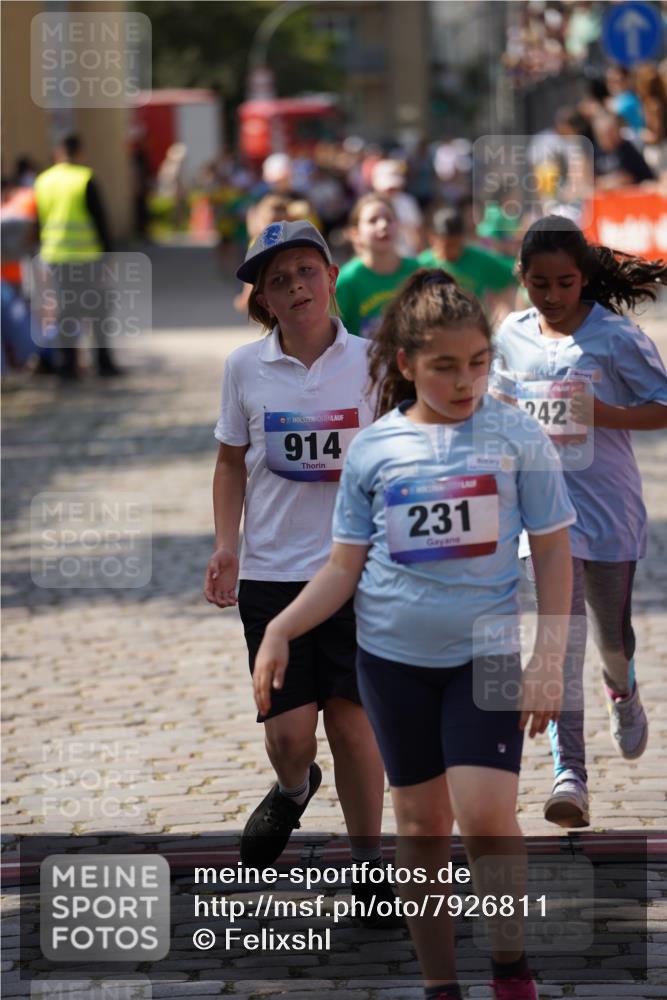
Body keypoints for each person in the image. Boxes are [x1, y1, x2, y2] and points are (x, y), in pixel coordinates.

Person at [252, 269, 575, 1000]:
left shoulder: (516, 436)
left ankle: (508, 968)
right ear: (405, 364)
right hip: (390, 663)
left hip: (485, 653)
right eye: (443, 366)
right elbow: (341, 569)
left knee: (485, 812)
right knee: (421, 823)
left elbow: (553, 549)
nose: (464, 382)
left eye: (476, 363)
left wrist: (549, 656)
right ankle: (438, 984)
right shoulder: (374, 451)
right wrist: (281, 625)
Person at [204, 219, 394, 915]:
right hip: (273, 575)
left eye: (305, 272)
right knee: (289, 733)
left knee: (353, 724)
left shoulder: (375, 362)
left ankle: (369, 862)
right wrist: (227, 544)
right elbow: (229, 462)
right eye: (278, 281)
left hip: (358, 571)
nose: (295, 287)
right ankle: (292, 787)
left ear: (331, 276)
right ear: (265, 301)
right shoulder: (242, 369)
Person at [493, 215, 667, 829]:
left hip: (608, 511)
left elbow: (664, 408)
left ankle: (621, 687)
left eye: (565, 283)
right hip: (541, 521)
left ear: (584, 278)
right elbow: (491, 408)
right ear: (524, 279)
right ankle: (570, 774)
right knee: (558, 644)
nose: (552, 296)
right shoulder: (510, 335)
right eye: (539, 284)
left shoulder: (616, 338)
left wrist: (605, 413)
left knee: (609, 638)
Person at [33, 134, 121, 379]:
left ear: (58, 153)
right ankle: (103, 362)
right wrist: (108, 256)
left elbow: (40, 221)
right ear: (79, 152)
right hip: (87, 257)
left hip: (55, 257)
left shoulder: (43, 181)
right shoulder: (84, 178)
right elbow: (100, 220)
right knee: (98, 309)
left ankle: (66, 365)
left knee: (65, 311)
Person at [336, 193, 419, 338]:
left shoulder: (417, 272)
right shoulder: (346, 281)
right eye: (373, 221)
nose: (383, 225)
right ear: (355, 233)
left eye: (389, 219)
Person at [419, 207, 518, 324]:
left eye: (457, 244)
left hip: (473, 325)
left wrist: (504, 310)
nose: (453, 250)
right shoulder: (422, 264)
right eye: (447, 245)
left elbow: (512, 273)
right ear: (432, 237)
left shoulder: (479, 259)